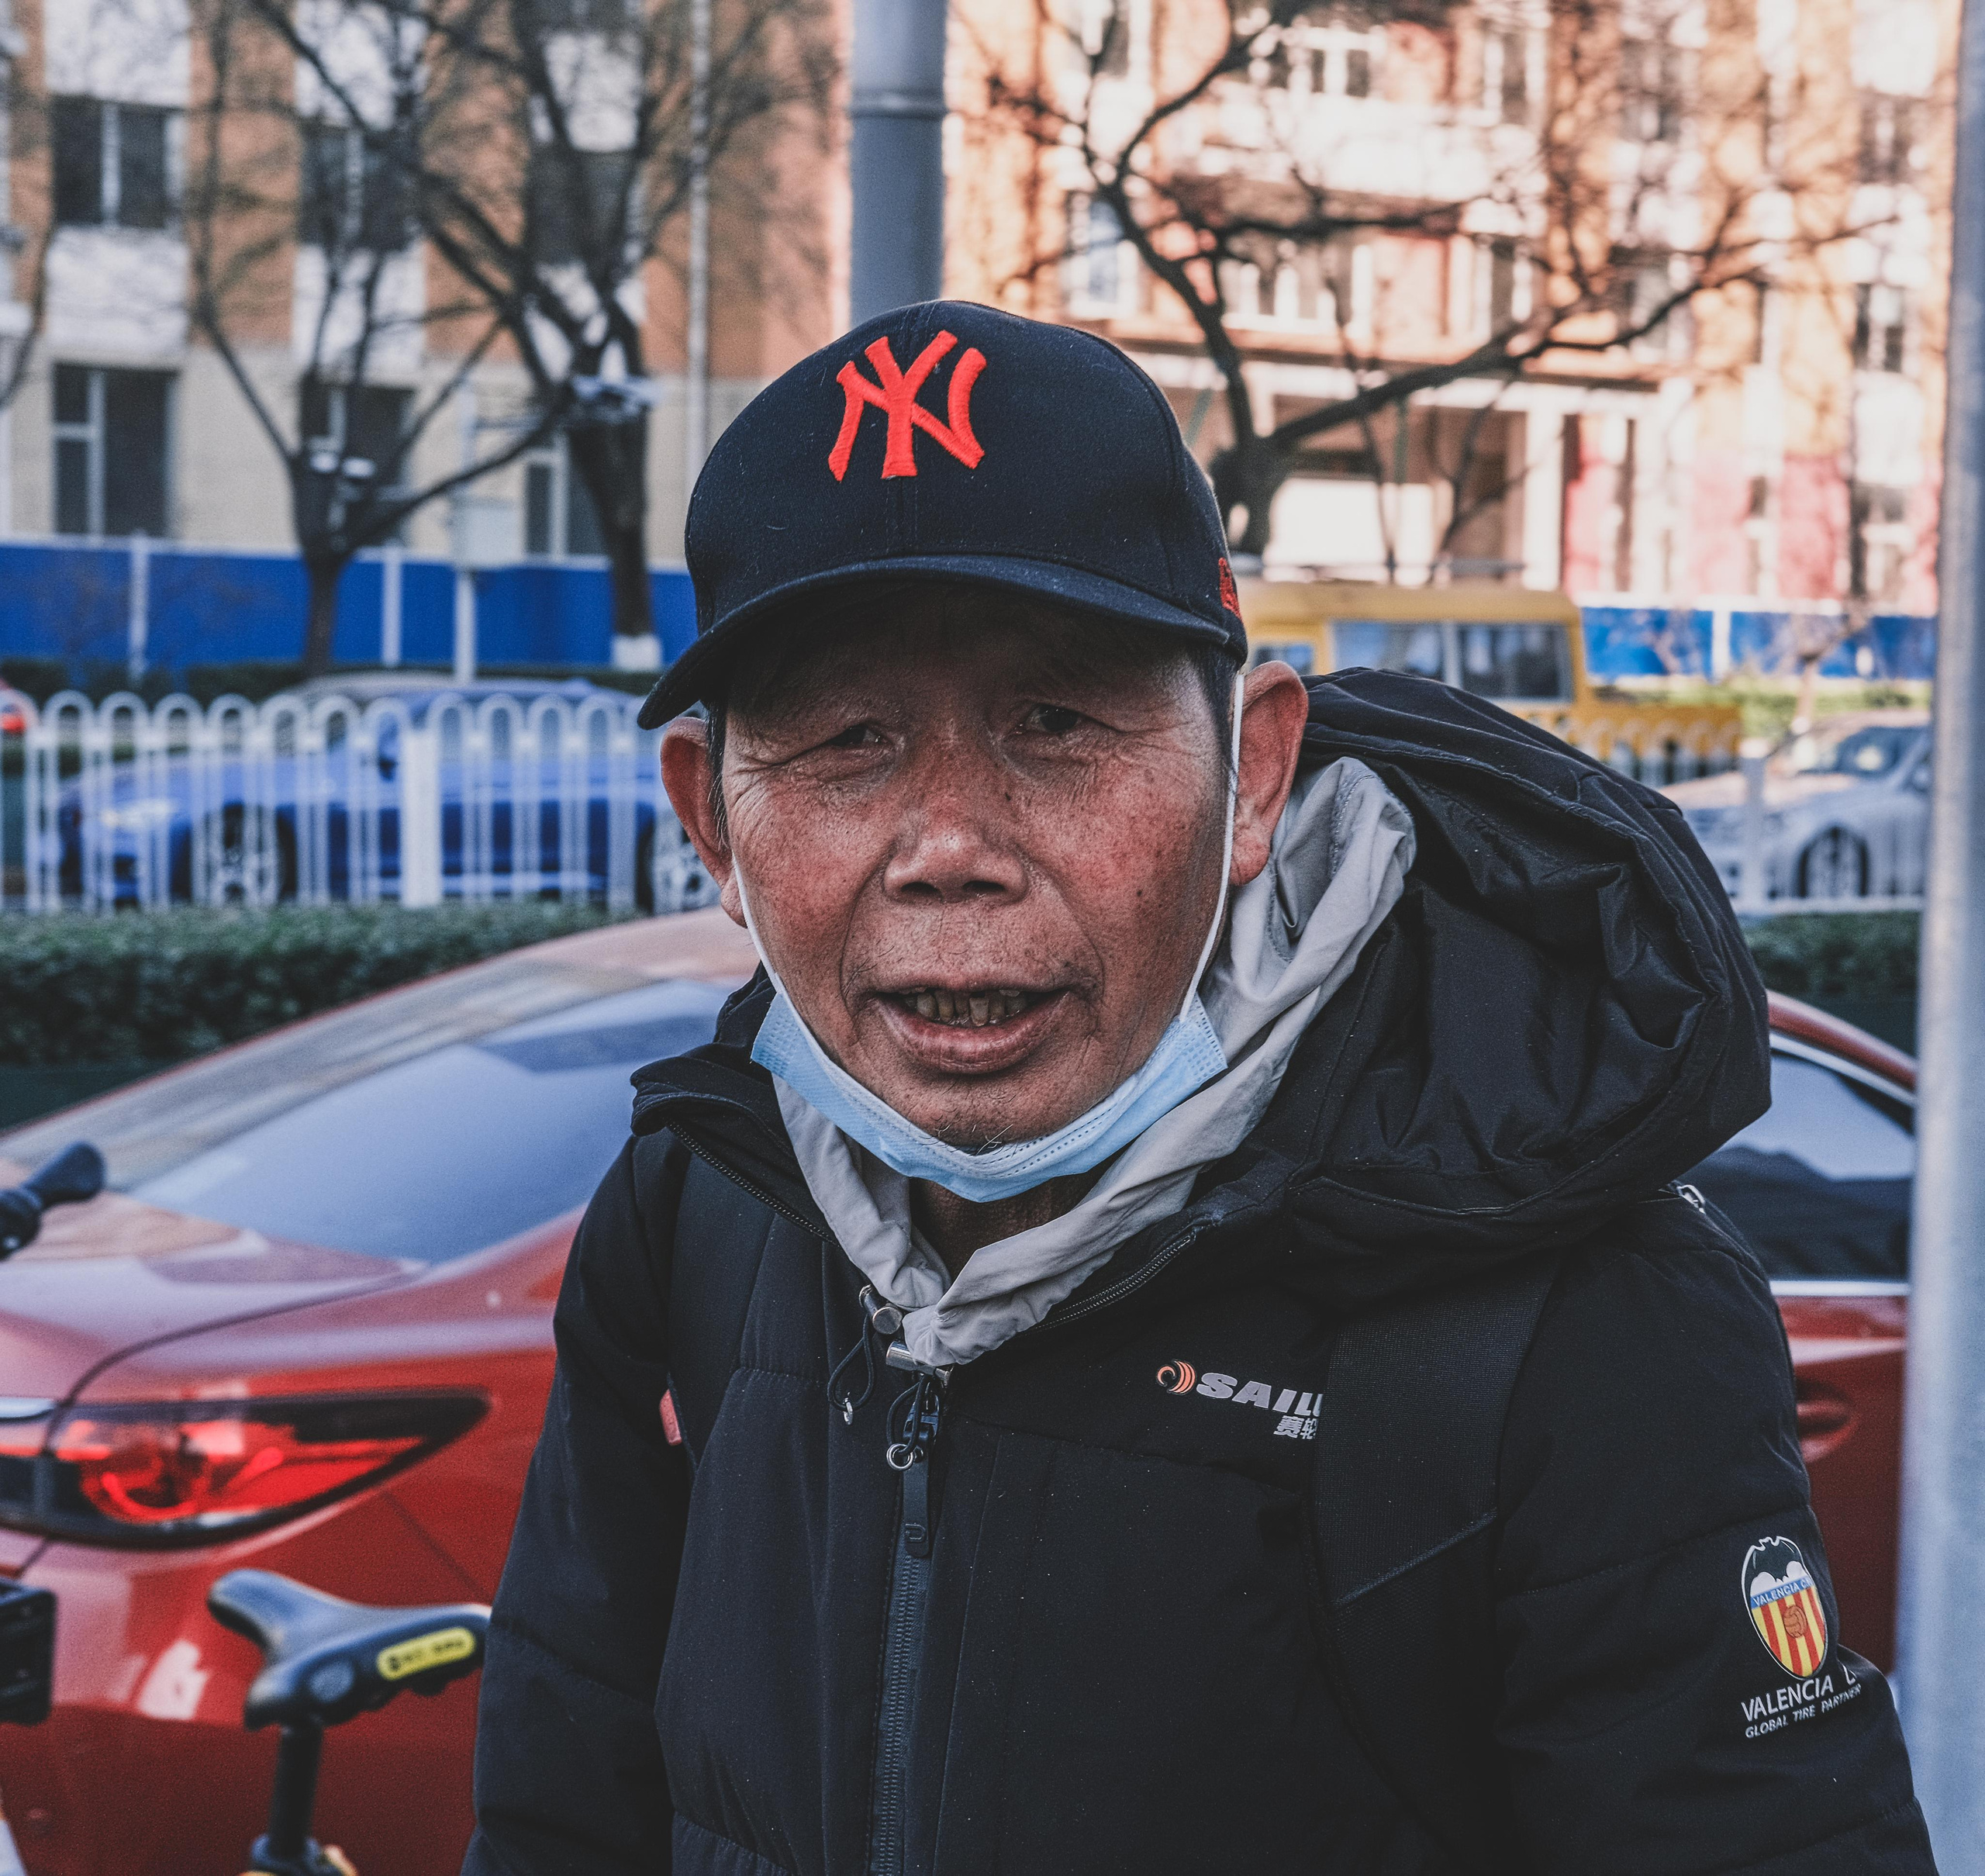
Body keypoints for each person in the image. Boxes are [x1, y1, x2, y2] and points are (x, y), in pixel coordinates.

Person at [464, 302, 1935, 1875]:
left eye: (1054, 723)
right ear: (711, 823)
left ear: (1249, 776)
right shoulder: (700, 1202)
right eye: (845, 740)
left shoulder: (1573, 1313)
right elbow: (566, 1795)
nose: (949, 845)